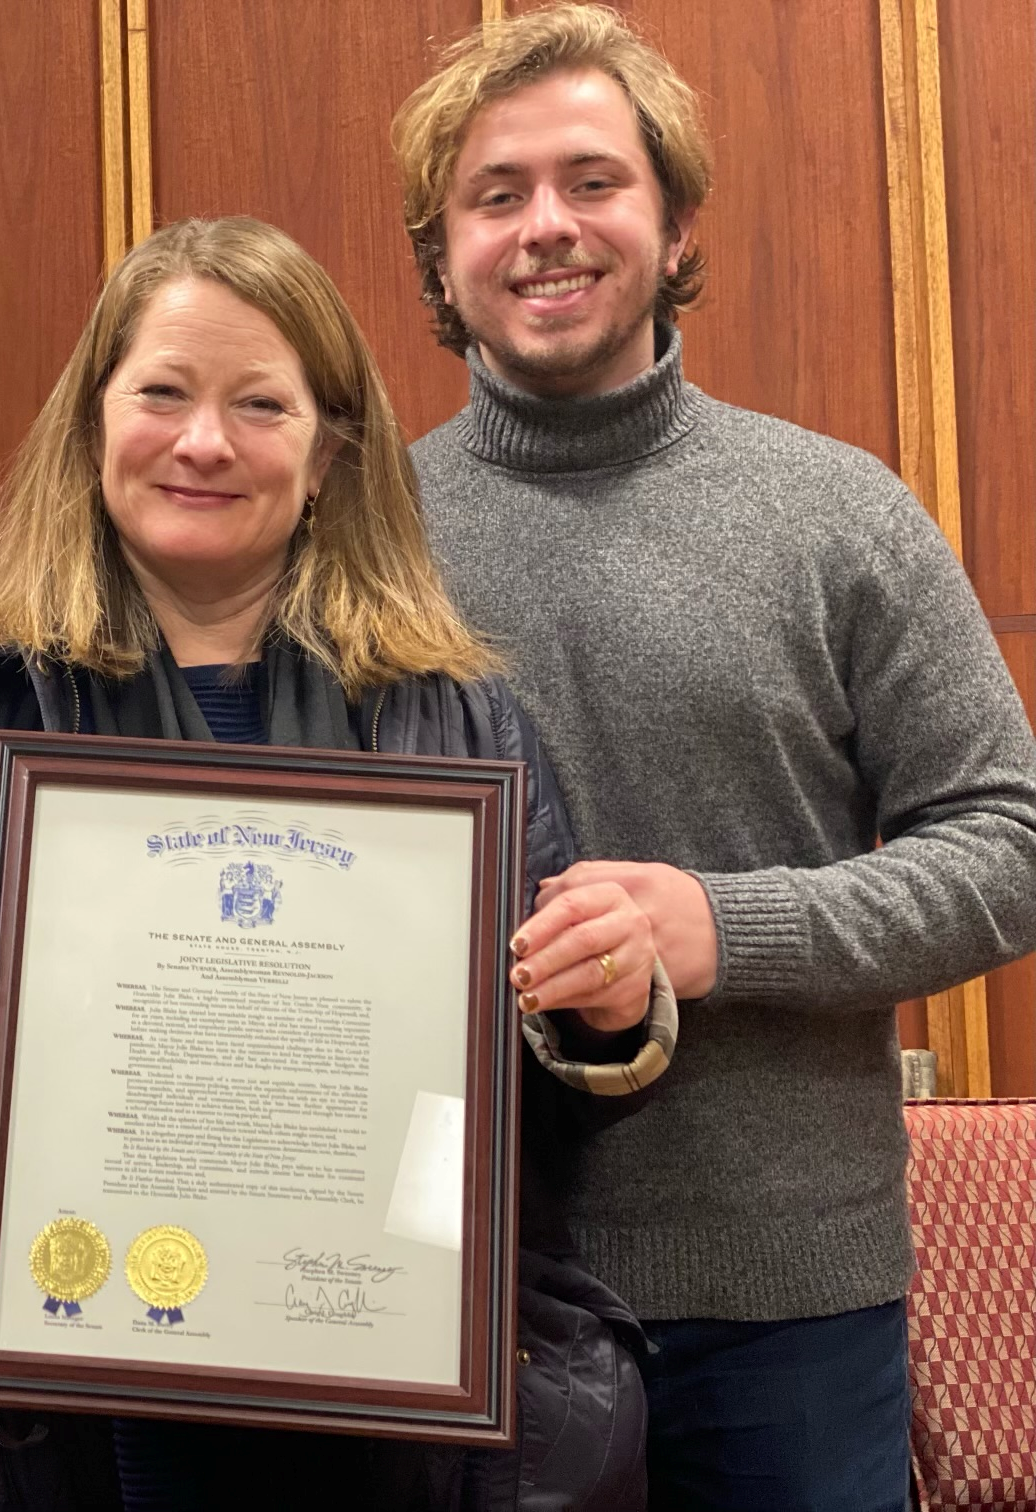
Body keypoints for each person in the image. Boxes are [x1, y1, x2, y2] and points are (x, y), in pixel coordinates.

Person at [0, 216, 679, 1512]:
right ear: (94, 425)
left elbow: (544, 1115)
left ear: (328, 450)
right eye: (165, 395)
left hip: (390, 1443)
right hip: (7, 1443)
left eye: (258, 403)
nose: (202, 441)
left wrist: (609, 1008)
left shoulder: (459, 725)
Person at [393, 8, 1036, 1508]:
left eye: (592, 181)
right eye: (498, 195)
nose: (547, 227)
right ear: (441, 257)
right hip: (450, 1291)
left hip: (787, 1313)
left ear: (674, 220)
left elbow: (1009, 843)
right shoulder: (363, 544)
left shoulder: (840, 515)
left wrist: (719, 930)